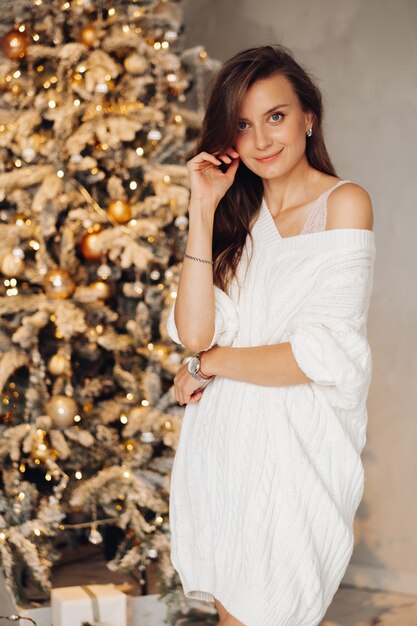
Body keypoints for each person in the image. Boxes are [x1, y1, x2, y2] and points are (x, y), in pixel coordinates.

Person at [166, 44, 376, 626]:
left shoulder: (344, 204)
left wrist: (209, 365)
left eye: (276, 116)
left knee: (276, 607)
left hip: (294, 454)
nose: (261, 139)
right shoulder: (235, 217)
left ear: (309, 116)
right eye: (243, 124)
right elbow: (194, 331)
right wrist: (202, 210)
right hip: (225, 445)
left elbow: (315, 357)